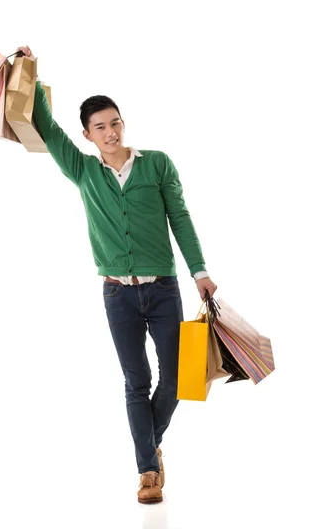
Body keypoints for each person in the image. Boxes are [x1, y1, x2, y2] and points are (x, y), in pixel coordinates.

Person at [16, 46, 218, 504]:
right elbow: (45, 128)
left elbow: (180, 218)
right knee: (135, 382)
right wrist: (31, 69)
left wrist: (200, 271)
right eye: (100, 127)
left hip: (164, 289)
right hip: (117, 295)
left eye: (115, 122)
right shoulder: (83, 170)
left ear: (123, 123)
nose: (110, 132)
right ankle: (148, 470)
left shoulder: (158, 163)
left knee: (178, 378)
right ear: (87, 135)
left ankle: (148, 444)